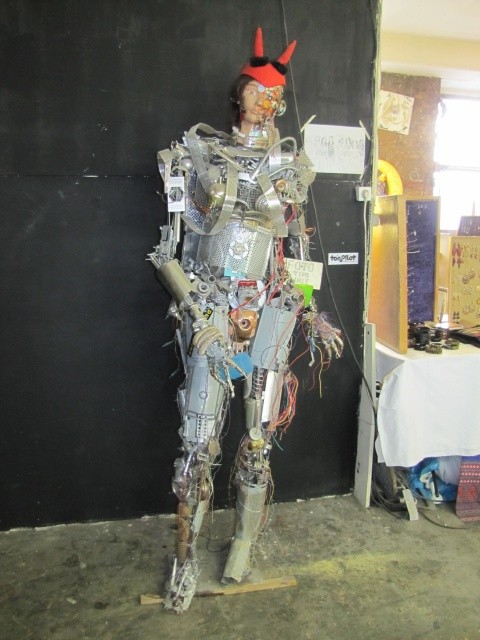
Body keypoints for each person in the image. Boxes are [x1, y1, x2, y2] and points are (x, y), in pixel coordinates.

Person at [148, 27, 342, 613]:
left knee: (258, 441)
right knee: (198, 445)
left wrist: (308, 307)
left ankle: (242, 546)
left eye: (276, 94)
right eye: (259, 90)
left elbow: (296, 248)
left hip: (270, 309)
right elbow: (167, 253)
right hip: (210, 305)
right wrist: (197, 315)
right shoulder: (195, 157)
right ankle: (185, 558)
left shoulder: (291, 166)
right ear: (240, 92)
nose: (268, 102)